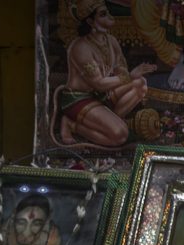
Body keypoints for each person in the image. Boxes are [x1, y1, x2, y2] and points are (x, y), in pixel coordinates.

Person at [57, 0, 157, 147]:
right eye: (103, 14)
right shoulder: (81, 47)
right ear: (91, 21)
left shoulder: (110, 40)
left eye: (108, 12)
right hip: (79, 99)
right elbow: (98, 83)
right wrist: (129, 75)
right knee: (120, 136)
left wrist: (129, 74)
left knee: (140, 84)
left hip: (101, 95)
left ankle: (110, 120)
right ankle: (71, 124)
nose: (110, 16)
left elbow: (120, 68)